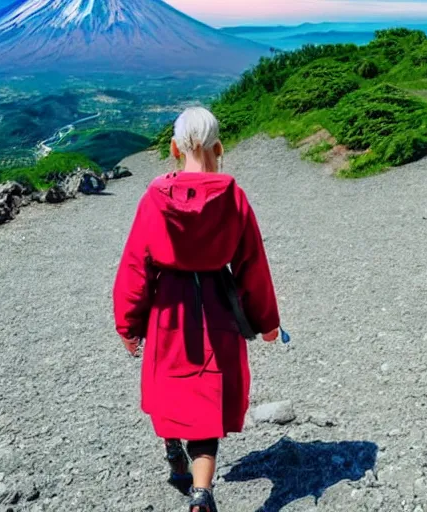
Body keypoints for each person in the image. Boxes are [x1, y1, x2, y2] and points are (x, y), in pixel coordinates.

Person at [113, 106, 281, 512]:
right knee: (206, 395)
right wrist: (267, 322)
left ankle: (174, 450)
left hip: (169, 307)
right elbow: (252, 264)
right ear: (219, 146)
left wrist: (129, 325)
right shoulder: (233, 197)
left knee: (171, 386)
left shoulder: (155, 197)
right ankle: (202, 494)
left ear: (174, 148)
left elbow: (136, 264)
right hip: (217, 306)